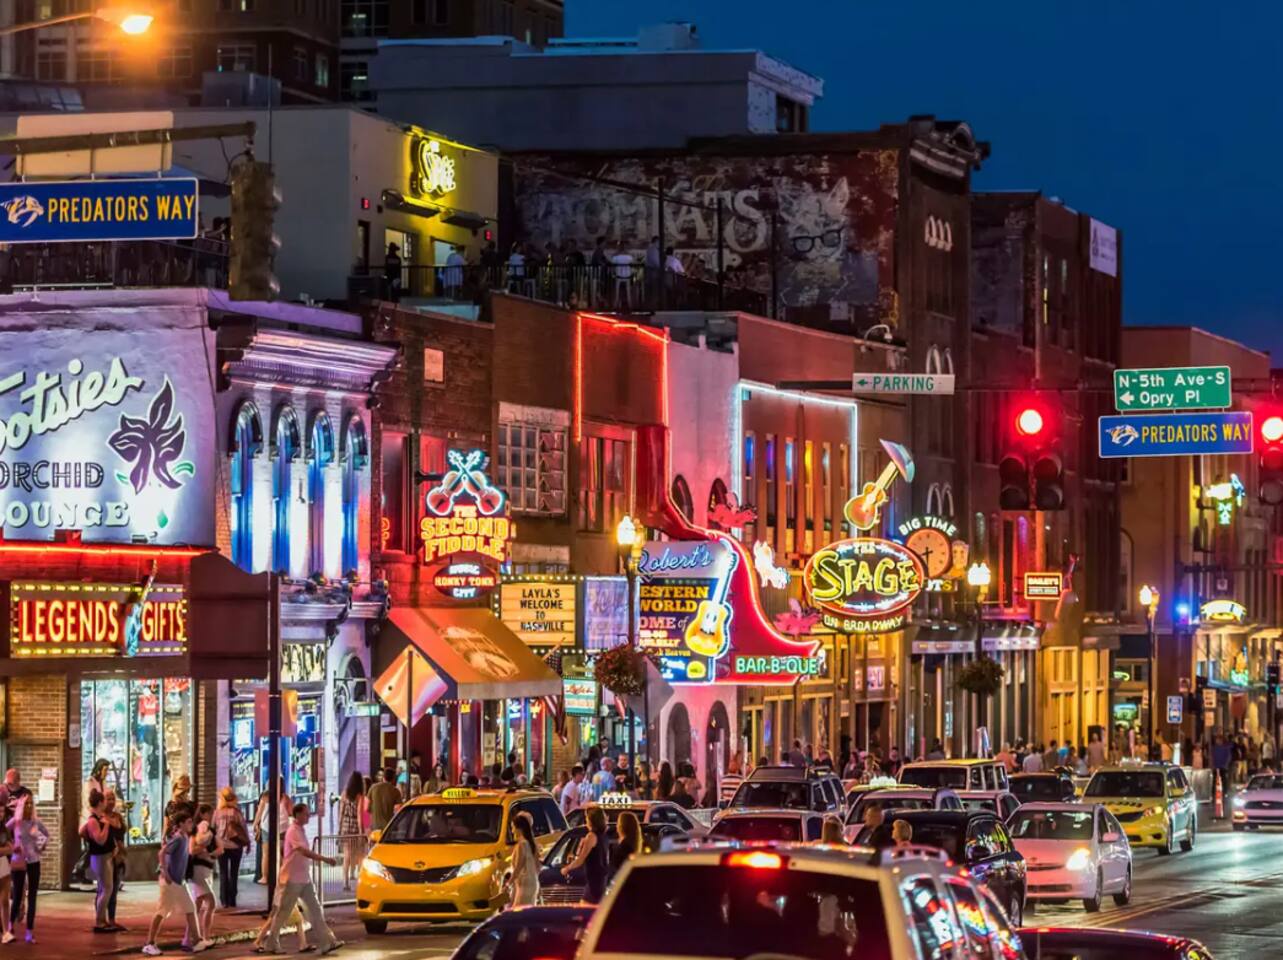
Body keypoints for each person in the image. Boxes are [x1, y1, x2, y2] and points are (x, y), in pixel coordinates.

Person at [261, 804, 341, 956]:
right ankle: (271, 943)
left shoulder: (301, 830)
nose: (308, 816)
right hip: (291, 879)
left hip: (304, 878)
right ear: (297, 815)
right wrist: (324, 859)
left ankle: (327, 942)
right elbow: (303, 851)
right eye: (305, 814)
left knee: (315, 910)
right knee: (283, 913)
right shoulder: (293, 831)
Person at [142, 804, 210, 956]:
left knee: (190, 908)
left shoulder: (185, 837)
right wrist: (165, 872)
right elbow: (162, 852)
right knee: (162, 911)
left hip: (179, 882)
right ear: (181, 824)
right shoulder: (179, 838)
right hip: (170, 882)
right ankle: (149, 943)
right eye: (188, 822)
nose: (191, 824)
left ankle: (197, 941)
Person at [9, 796, 47, 943]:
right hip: (19, 861)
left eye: (31, 803)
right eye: (26, 803)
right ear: (21, 805)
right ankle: (9, 926)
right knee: (18, 895)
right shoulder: (16, 822)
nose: (29, 806)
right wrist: (12, 846)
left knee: (32, 896)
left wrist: (41, 846)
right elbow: (3, 830)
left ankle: (29, 932)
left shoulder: (36, 822)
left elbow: (46, 836)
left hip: (34, 861)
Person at [81, 788, 115, 933]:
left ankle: (102, 919)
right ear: (100, 802)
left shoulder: (98, 818)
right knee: (107, 888)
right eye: (105, 800)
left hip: (105, 856)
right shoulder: (93, 820)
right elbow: (100, 839)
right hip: (100, 857)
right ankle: (99, 921)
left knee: (104, 888)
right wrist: (106, 825)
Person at [562, 806, 609, 904]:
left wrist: (567, 868)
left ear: (591, 820)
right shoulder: (603, 836)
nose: (586, 820)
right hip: (600, 879)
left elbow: (580, 860)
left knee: (585, 907)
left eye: (587, 817)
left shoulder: (591, 836)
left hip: (594, 881)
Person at [212, 787, 250, 909]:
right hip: (236, 845)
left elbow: (213, 829)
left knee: (223, 872)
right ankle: (232, 900)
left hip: (221, 845)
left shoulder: (217, 813)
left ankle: (224, 900)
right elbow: (243, 828)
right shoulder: (236, 812)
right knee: (234, 873)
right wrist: (248, 843)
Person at [188, 804, 219, 941]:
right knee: (211, 903)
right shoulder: (199, 829)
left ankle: (194, 935)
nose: (211, 817)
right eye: (209, 814)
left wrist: (212, 852)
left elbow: (220, 848)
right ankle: (203, 936)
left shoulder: (210, 830)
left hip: (207, 869)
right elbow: (193, 849)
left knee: (199, 902)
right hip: (199, 869)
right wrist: (205, 849)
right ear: (202, 814)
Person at [337, 772, 365, 891]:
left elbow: (341, 812)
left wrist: (339, 828)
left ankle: (345, 881)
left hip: (345, 825)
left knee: (347, 855)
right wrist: (361, 832)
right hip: (354, 826)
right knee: (357, 853)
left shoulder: (344, 794)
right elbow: (359, 815)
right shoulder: (360, 796)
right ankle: (358, 878)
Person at [104, 791, 127, 932]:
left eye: (113, 798)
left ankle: (112, 919)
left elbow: (121, 834)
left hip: (119, 856)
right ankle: (101, 919)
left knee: (114, 889)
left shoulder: (118, 816)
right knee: (106, 889)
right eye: (108, 799)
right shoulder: (101, 818)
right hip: (107, 857)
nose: (111, 801)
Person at [508, 811, 540, 908]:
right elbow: (537, 866)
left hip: (524, 886)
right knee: (528, 912)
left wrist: (508, 884)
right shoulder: (532, 844)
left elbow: (518, 866)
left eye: (513, 827)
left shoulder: (521, 844)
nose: (512, 831)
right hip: (532, 884)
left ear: (519, 828)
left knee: (519, 911)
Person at [610, 811, 642, 883]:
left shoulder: (624, 847)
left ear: (622, 826)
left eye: (618, 823)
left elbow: (617, 868)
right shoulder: (631, 844)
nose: (616, 826)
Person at [367, 767, 401, 833]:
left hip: (374, 829)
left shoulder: (373, 788)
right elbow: (398, 810)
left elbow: (366, 809)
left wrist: (367, 827)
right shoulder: (395, 791)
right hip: (388, 829)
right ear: (393, 778)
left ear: (383, 777)